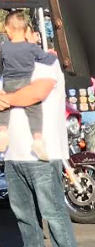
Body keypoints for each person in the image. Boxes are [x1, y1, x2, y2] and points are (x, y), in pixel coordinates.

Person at [0, 12, 82, 247]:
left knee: (52, 210)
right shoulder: (8, 67)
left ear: (32, 35)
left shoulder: (46, 64)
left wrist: (8, 99)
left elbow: (37, 93)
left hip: (43, 152)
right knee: (23, 212)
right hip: (14, 153)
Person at [0, 21, 58, 160]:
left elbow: (35, 94)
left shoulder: (44, 65)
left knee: (34, 108)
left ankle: (37, 140)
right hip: (11, 156)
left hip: (38, 162)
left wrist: (5, 99)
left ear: (35, 36)